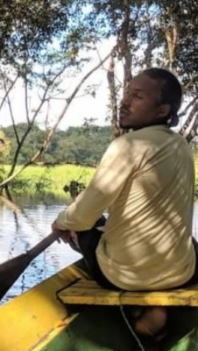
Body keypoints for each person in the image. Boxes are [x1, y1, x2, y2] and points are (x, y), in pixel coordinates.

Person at [51, 68, 197, 336]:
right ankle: (157, 311)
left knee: (86, 223)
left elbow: (82, 216)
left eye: (137, 97)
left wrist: (61, 222)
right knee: (191, 242)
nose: (124, 102)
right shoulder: (181, 146)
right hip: (181, 274)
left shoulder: (127, 145)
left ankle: (141, 312)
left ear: (162, 110)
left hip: (122, 278)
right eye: (126, 93)